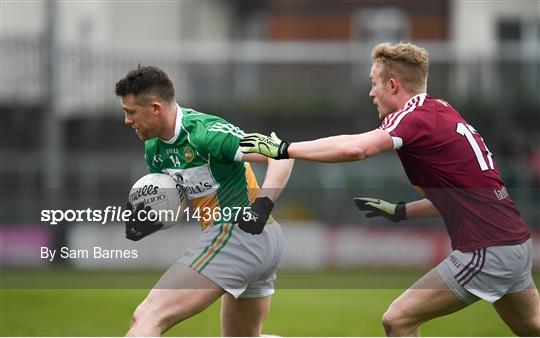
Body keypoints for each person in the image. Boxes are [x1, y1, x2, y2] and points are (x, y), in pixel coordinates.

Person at [239, 42, 540, 336]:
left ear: (393, 85)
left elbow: (356, 148)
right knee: (530, 327)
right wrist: (399, 211)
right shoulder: (441, 110)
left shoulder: (412, 117)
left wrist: (285, 149)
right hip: (515, 243)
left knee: (398, 320)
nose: (371, 92)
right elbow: (454, 198)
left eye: (374, 83)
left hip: (487, 249)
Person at [115, 65, 294, 336]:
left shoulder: (207, 133)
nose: (127, 120)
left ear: (155, 108)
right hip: (256, 239)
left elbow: (281, 154)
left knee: (147, 317)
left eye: (130, 112)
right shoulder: (153, 148)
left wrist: (262, 205)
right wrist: (147, 220)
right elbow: (177, 200)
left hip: (239, 231)